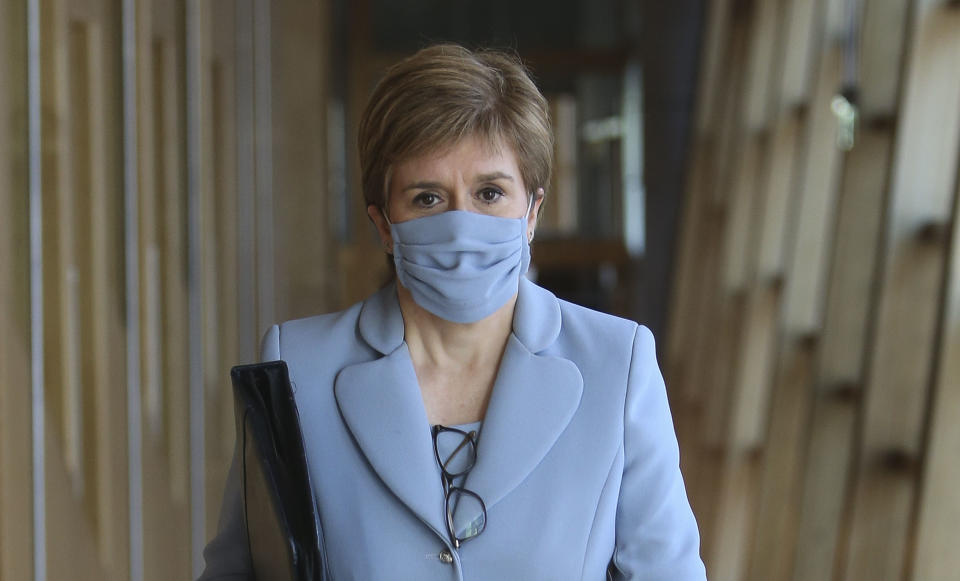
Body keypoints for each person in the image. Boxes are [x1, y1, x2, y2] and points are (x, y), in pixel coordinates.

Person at [199, 43, 707, 580]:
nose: (462, 225)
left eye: (490, 193)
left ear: (532, 211)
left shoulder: (617, 364)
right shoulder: (297, 366)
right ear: (382, 224)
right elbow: (241, 569)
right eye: (426, 198)